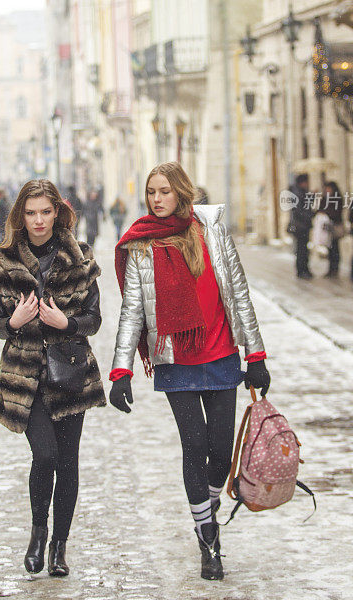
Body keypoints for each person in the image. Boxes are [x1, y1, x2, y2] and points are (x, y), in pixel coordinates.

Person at [109, 162, 270, 581]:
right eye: (151, 192)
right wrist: (121, 370)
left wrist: (256, 356)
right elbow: (131, 312)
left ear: (181, 192)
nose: (157, 199)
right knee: (194, 444)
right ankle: (208, 538)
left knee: (220, 452)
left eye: (164, 191)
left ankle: (207, 506)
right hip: (175, 358)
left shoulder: (211, 229)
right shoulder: (141, 244)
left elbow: (238, 291)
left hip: (220, 355)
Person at [0, 179, 105, 577]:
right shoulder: (4, 261)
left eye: (45, 212)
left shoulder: (80, 258)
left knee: (68, 462)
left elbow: (94, 320)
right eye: (31, 213)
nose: (38, 221)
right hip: (26, 375)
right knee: (46, 455)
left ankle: (59, 547)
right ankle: (38, 532)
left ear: (57, 212)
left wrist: (65, 321)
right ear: (21, 215)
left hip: (70, 373)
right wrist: (15, 322)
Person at [288, 173, 314, 278]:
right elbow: (300, 210)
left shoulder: (299, 192)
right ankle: (302, 270)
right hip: (301, 226)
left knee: (302, 249)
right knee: (302, 249)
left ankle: (303, 269)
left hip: (302, 225)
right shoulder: (298, 193)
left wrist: (312, 196)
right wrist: (311, 214)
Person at [318, 181, 344, 277]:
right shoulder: (324, 199)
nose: (327, 190)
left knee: (335, 247)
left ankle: (335, 268)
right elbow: (319, 209)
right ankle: (330, 269)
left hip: (335, 226)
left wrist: (327, 213)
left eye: (329, 188)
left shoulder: (337, 198)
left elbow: (337, 212)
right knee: (329, 248)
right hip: (327, 227)